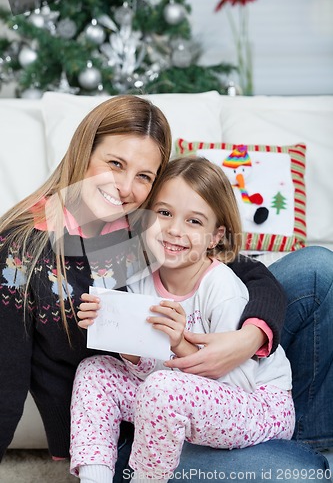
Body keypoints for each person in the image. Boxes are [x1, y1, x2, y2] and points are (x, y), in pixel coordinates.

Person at [0, 94, 331, 481]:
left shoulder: (147, 223)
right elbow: (4, 379)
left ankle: (291, 437)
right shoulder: (19, 251)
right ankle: (279, 452)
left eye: (144, 176)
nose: (125, 187)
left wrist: (247, 339)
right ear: (84, 151)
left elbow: (247, 273)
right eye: (115, 164)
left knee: (317, 268)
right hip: (126, 432)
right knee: (302, 473)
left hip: (213, 392)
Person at [71, 156, 296, 483]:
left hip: (256, 406)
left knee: (164, 388)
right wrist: (116, 333)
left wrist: (180, 345)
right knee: (94, 371)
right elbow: (148, 368)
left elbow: (239, 383)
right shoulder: (140, 279)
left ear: (215, 236)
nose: (174, 230)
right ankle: (95, 478)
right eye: (164, 213)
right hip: (171, 402)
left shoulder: (223, 289)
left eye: (194, 221)